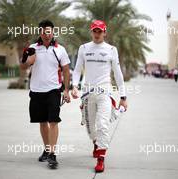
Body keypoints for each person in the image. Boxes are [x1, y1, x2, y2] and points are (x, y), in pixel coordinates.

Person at [71, 20, 128, 173]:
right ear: (91, 32)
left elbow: (118, 73)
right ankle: (96, 142)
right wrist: (74, 86)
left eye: (100, 31)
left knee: (102, 124)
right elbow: (77, 70)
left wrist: (123, 97)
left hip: (104, 92)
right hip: (88, 93)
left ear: (105, 32)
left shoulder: (111, 49)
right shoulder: (84, 48)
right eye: (94, 31)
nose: (97, 34)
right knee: (91, 128)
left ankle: (101, 158)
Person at [20, 19, 71, 169]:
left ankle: (52, 155)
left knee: (53, 121)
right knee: (42, 122)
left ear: (52, 32)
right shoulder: (33, 48)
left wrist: (66, 90)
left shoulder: (60, 49)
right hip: (36, 91)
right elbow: (23, 67)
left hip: (54, 91)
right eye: (43, 31)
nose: (46, 34)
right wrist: (27, 59)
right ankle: (47, 149)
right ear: (40, 32)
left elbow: (66, 70)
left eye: (49, 31)